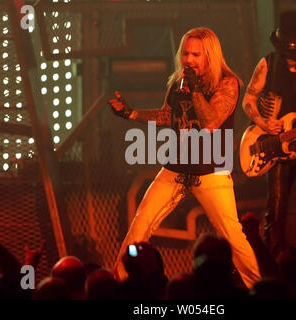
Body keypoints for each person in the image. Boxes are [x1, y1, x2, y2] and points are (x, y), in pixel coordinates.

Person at [108, 27, 261, 289]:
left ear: (210, 56)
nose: (189, 60)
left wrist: (194, 90)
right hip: (176, 167)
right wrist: (132, 114)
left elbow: (211, 122)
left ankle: (259, 288)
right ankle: (119, 282)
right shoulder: (178, 82)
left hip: (210, 171)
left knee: (232, 235)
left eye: (196, 55)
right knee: (141, 222)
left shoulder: (227, 82)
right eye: (186, 53)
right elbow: (168, 117)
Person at [242, 11, 296, 259]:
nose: (293, 59)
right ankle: (272, 265)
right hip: (278, 145)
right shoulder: (267, 63)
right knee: (276, 209)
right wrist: (263, 122)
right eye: (289, 53)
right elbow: (248, 100)